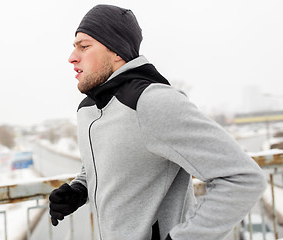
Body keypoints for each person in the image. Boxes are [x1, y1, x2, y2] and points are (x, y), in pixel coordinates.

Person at [49, 4, 267, 240]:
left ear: (117, 51)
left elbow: (243, 178)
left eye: (84, 46)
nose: (72, 57)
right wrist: (79, 189)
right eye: (74, 47)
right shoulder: (88, 109)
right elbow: (107, 159)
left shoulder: (151, 102)